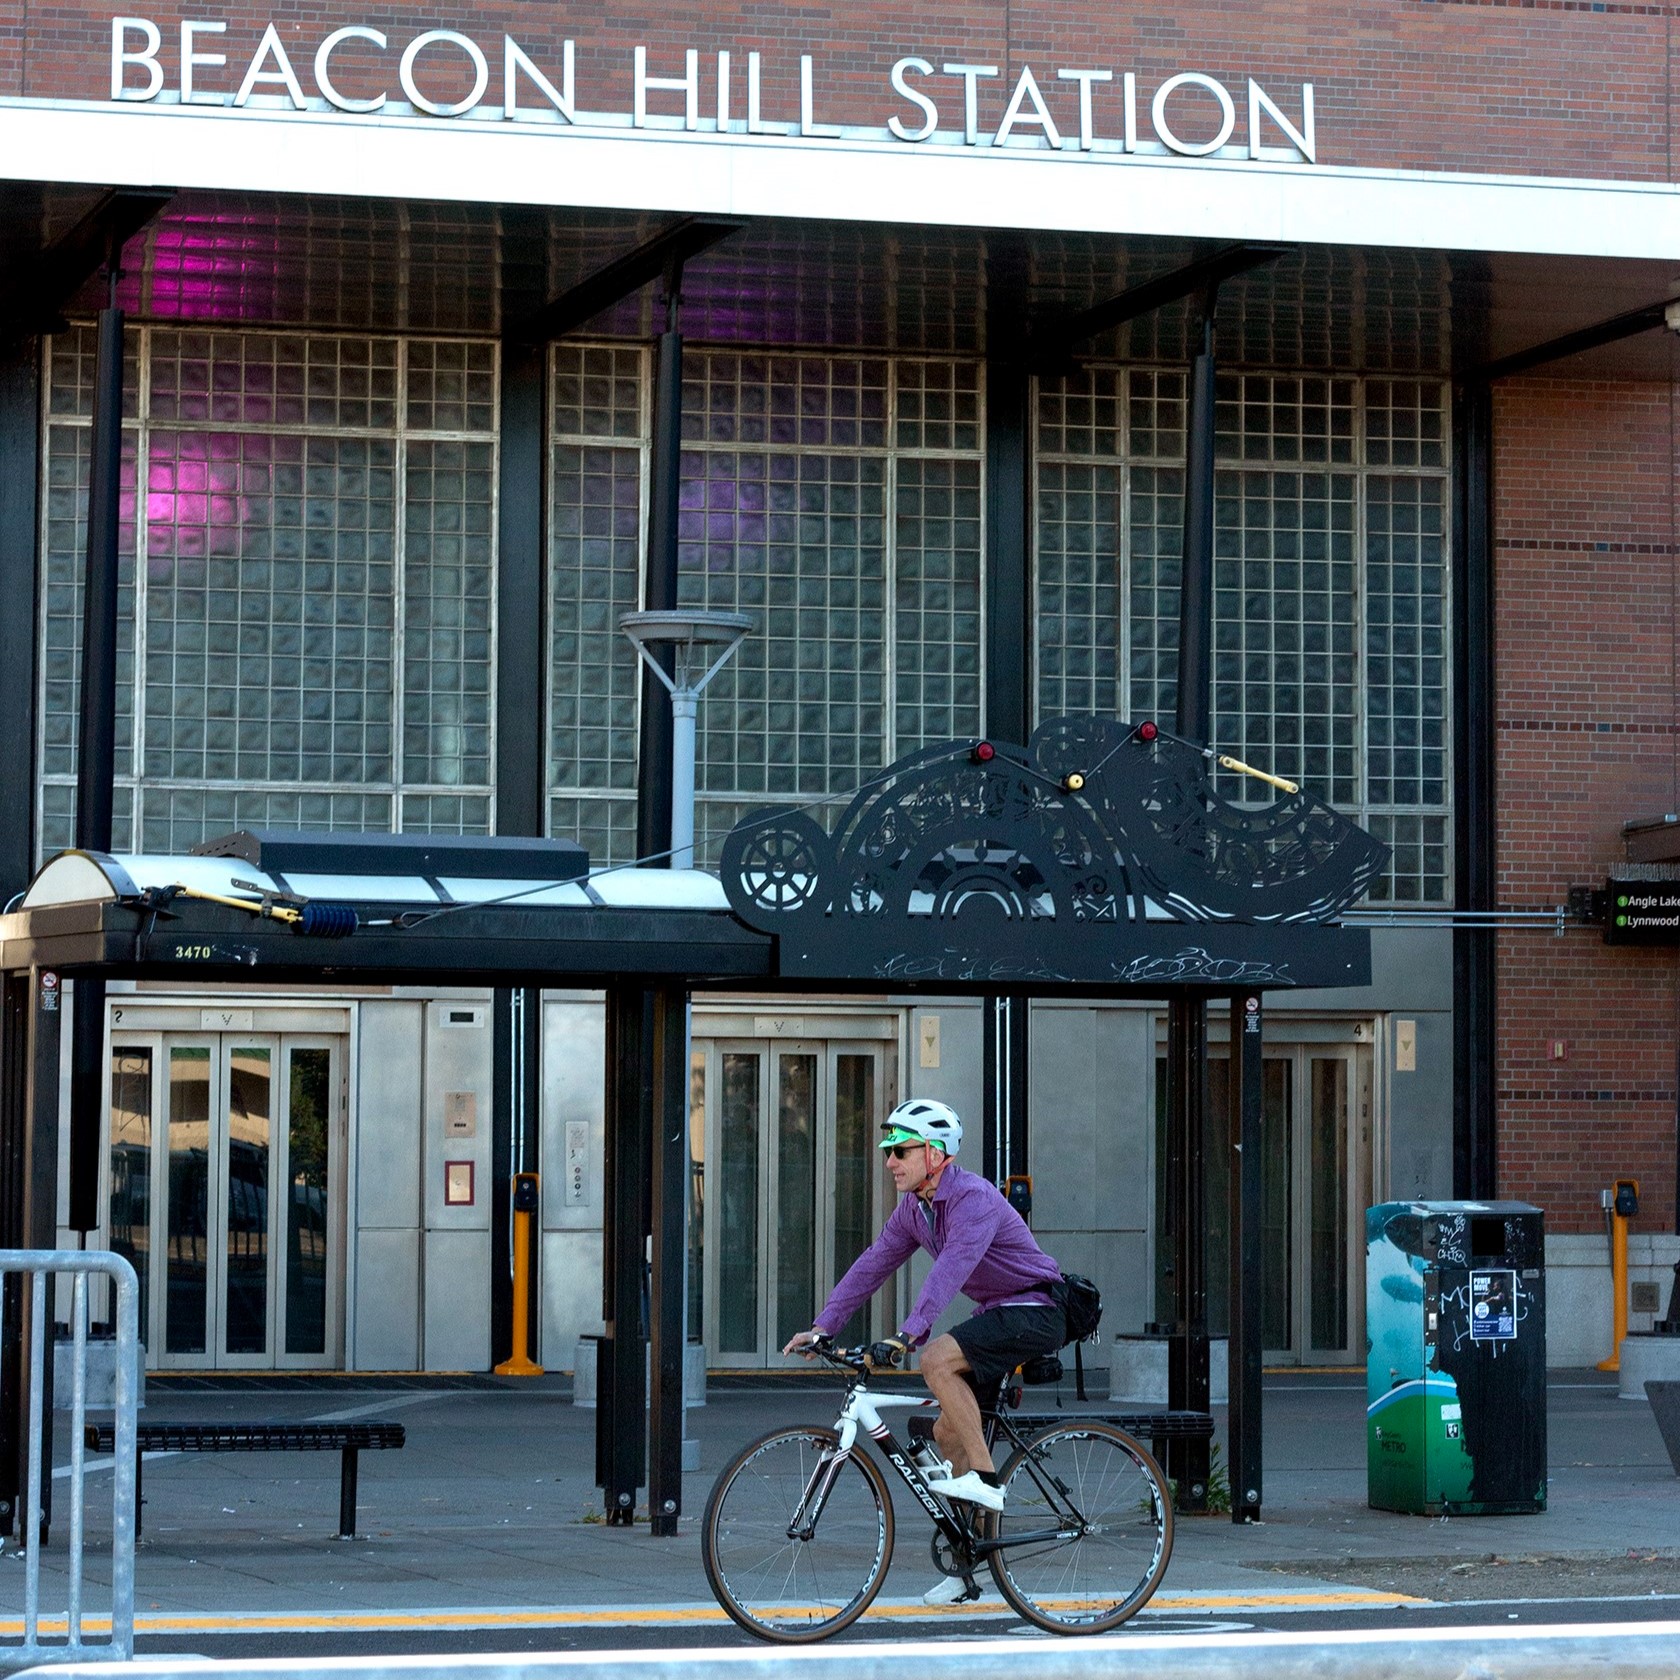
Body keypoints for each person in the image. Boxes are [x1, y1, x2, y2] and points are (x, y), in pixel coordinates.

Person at [782, 1096, 1067, 1603]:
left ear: (935, 1154)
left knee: (935, 1357)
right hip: (995, 1316)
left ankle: (985, 1479)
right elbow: (872, 1264)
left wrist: (908, 1335)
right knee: (948, 1433)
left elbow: (951, 1269)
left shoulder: (973, 1199)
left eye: (901, 1150)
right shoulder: (915, 1210)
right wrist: (823, 1326)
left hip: (1035, 1309)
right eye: (888, 1150)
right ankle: (968, 1566)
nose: (889, 1160)